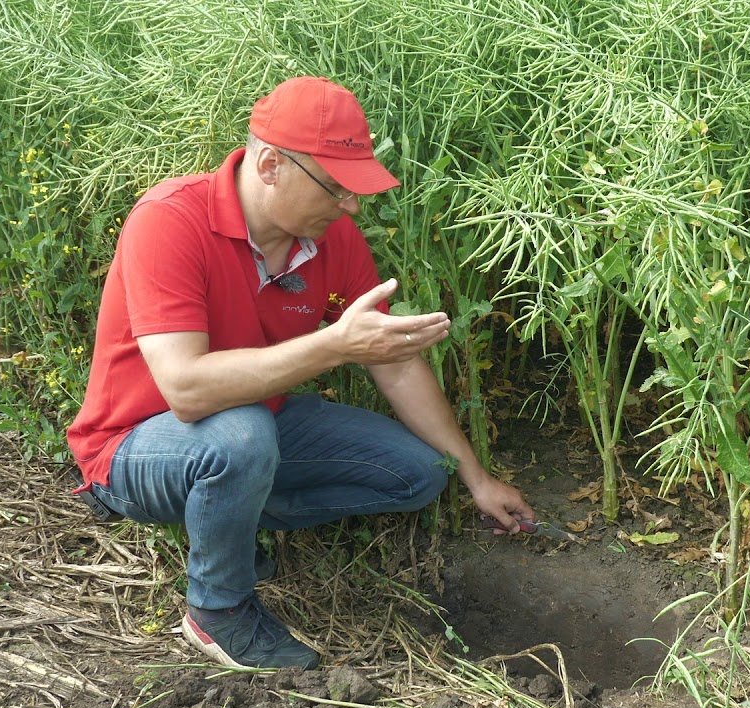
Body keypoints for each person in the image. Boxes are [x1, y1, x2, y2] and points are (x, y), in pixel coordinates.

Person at [66, 76, 535, 670]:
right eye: (337, 188)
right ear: (269, 166)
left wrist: (475, 476)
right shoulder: (169, 220)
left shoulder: (332, 238)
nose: (352, 207)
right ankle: (219, 609)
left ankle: (224, 526)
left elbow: (394, 364)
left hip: (258, 424)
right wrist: (335, 346)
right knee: (239, 437)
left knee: (418, 474)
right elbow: (185, 390)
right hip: (134, 446)